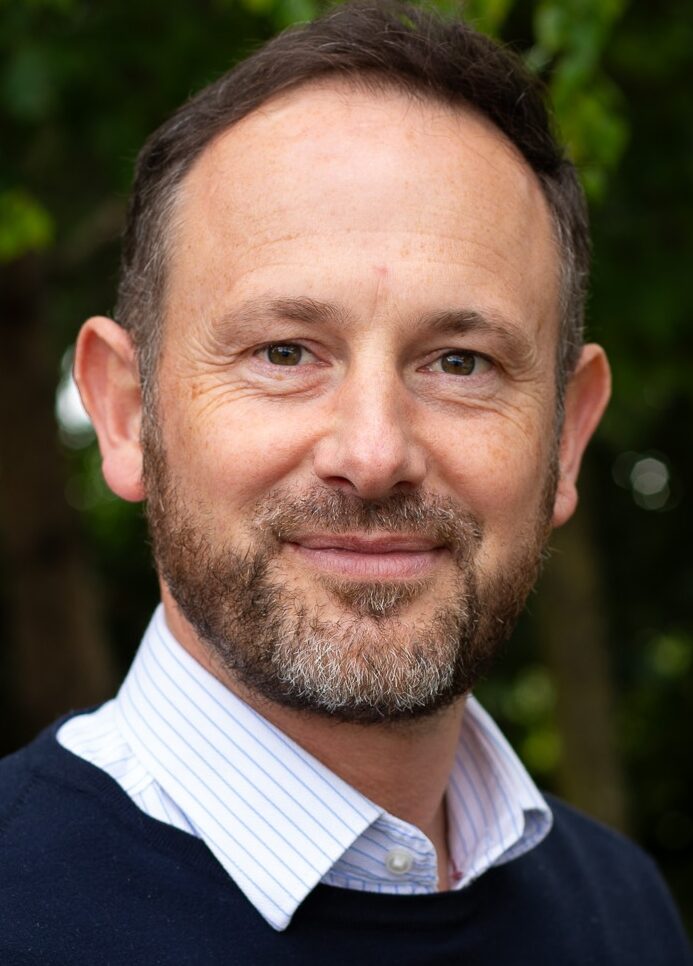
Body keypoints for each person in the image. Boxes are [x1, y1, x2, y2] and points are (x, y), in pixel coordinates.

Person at [1, 2, 690, 962]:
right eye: (285, 351)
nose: (371, 455)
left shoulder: (625, 915)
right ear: (125, 413)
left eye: (459, 362)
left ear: (567, 439)